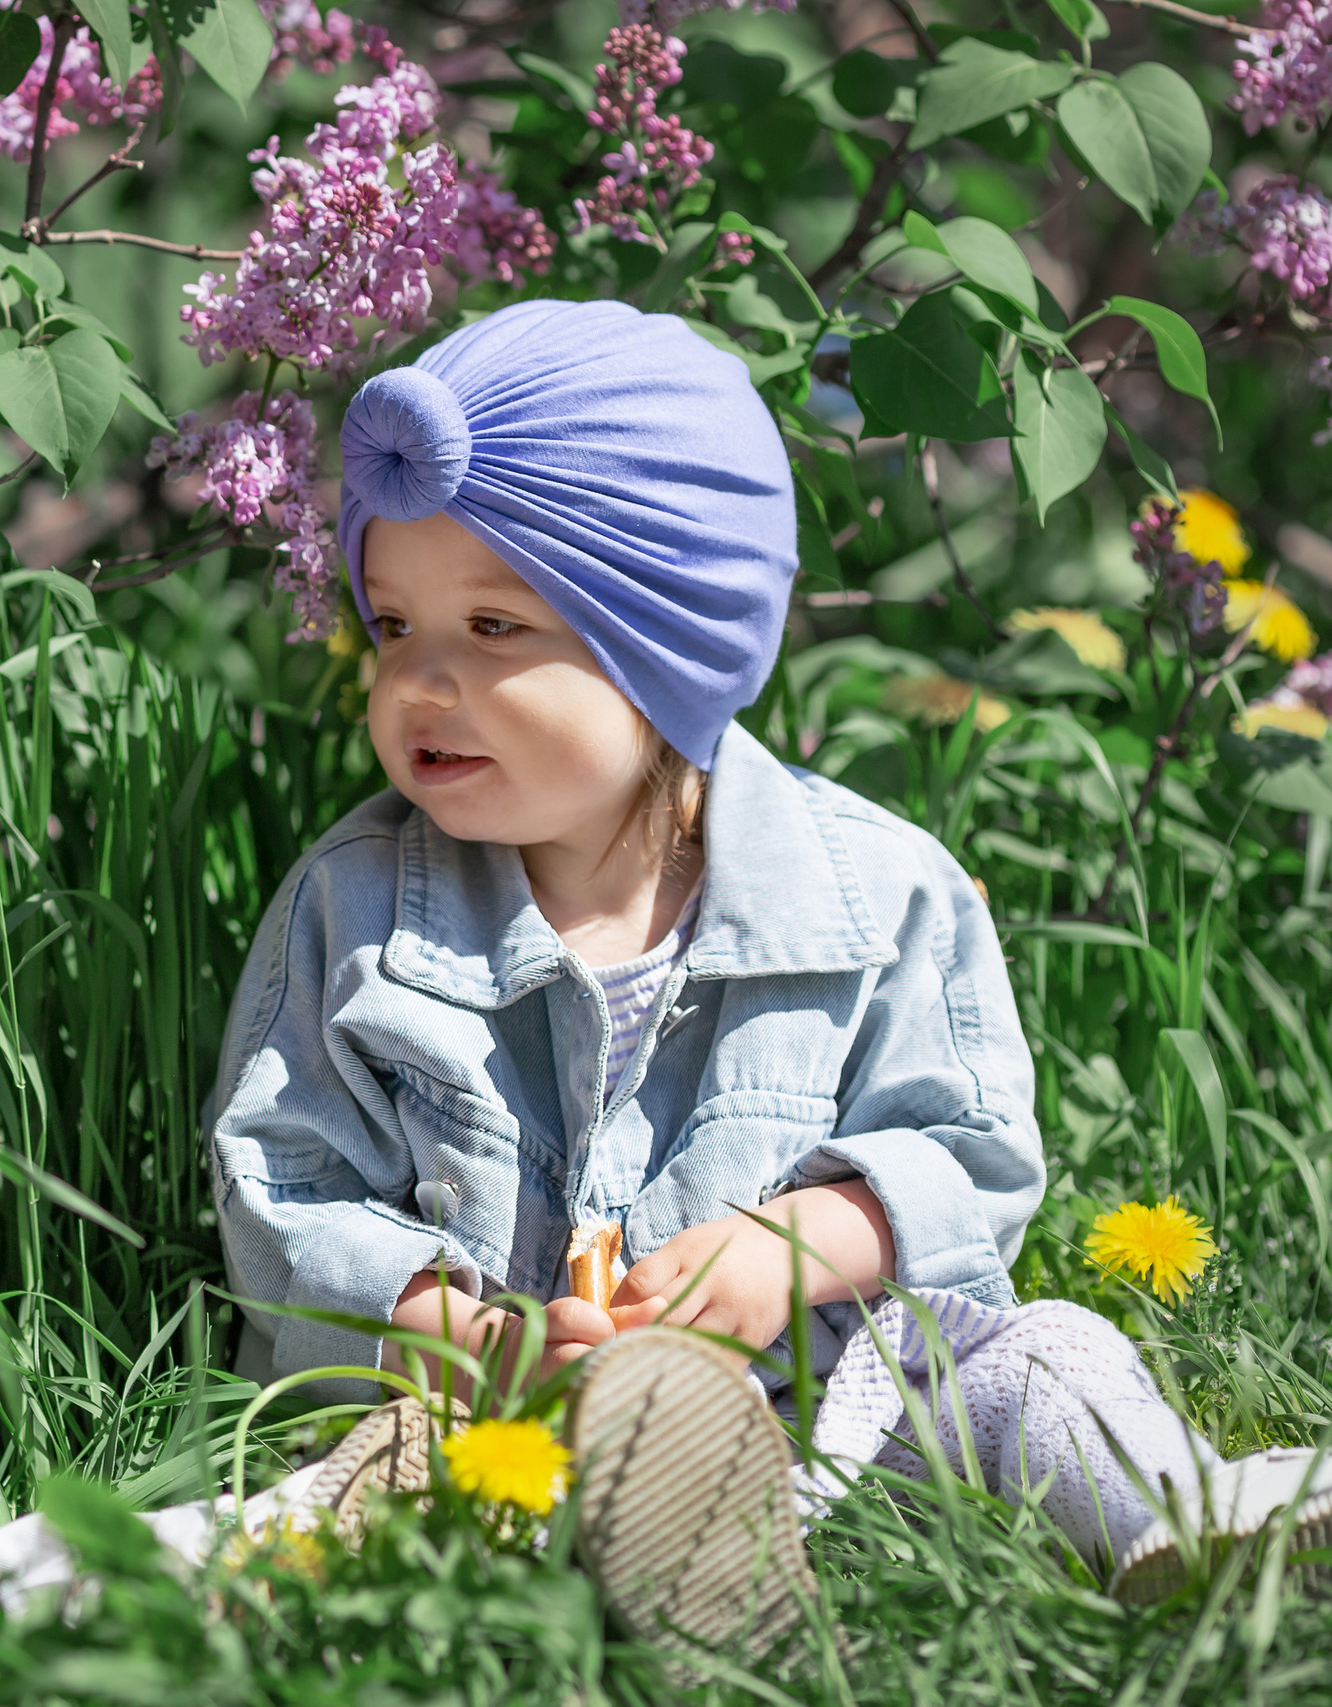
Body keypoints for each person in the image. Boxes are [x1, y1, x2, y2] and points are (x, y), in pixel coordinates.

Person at [205, 298, 1332, 1649]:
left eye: (494, 631)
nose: (419, 683)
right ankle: (80, 1588)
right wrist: (470, 1334)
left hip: (849, 1401)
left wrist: (785, 1249)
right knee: (364, 1473)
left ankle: (1185, 1515)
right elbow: (283, 1183)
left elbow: (969, 1151)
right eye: (392, 626)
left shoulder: (875, 893)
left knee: (1040, 1355)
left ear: (665, 650)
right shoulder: (360, 913)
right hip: (505, 1417)